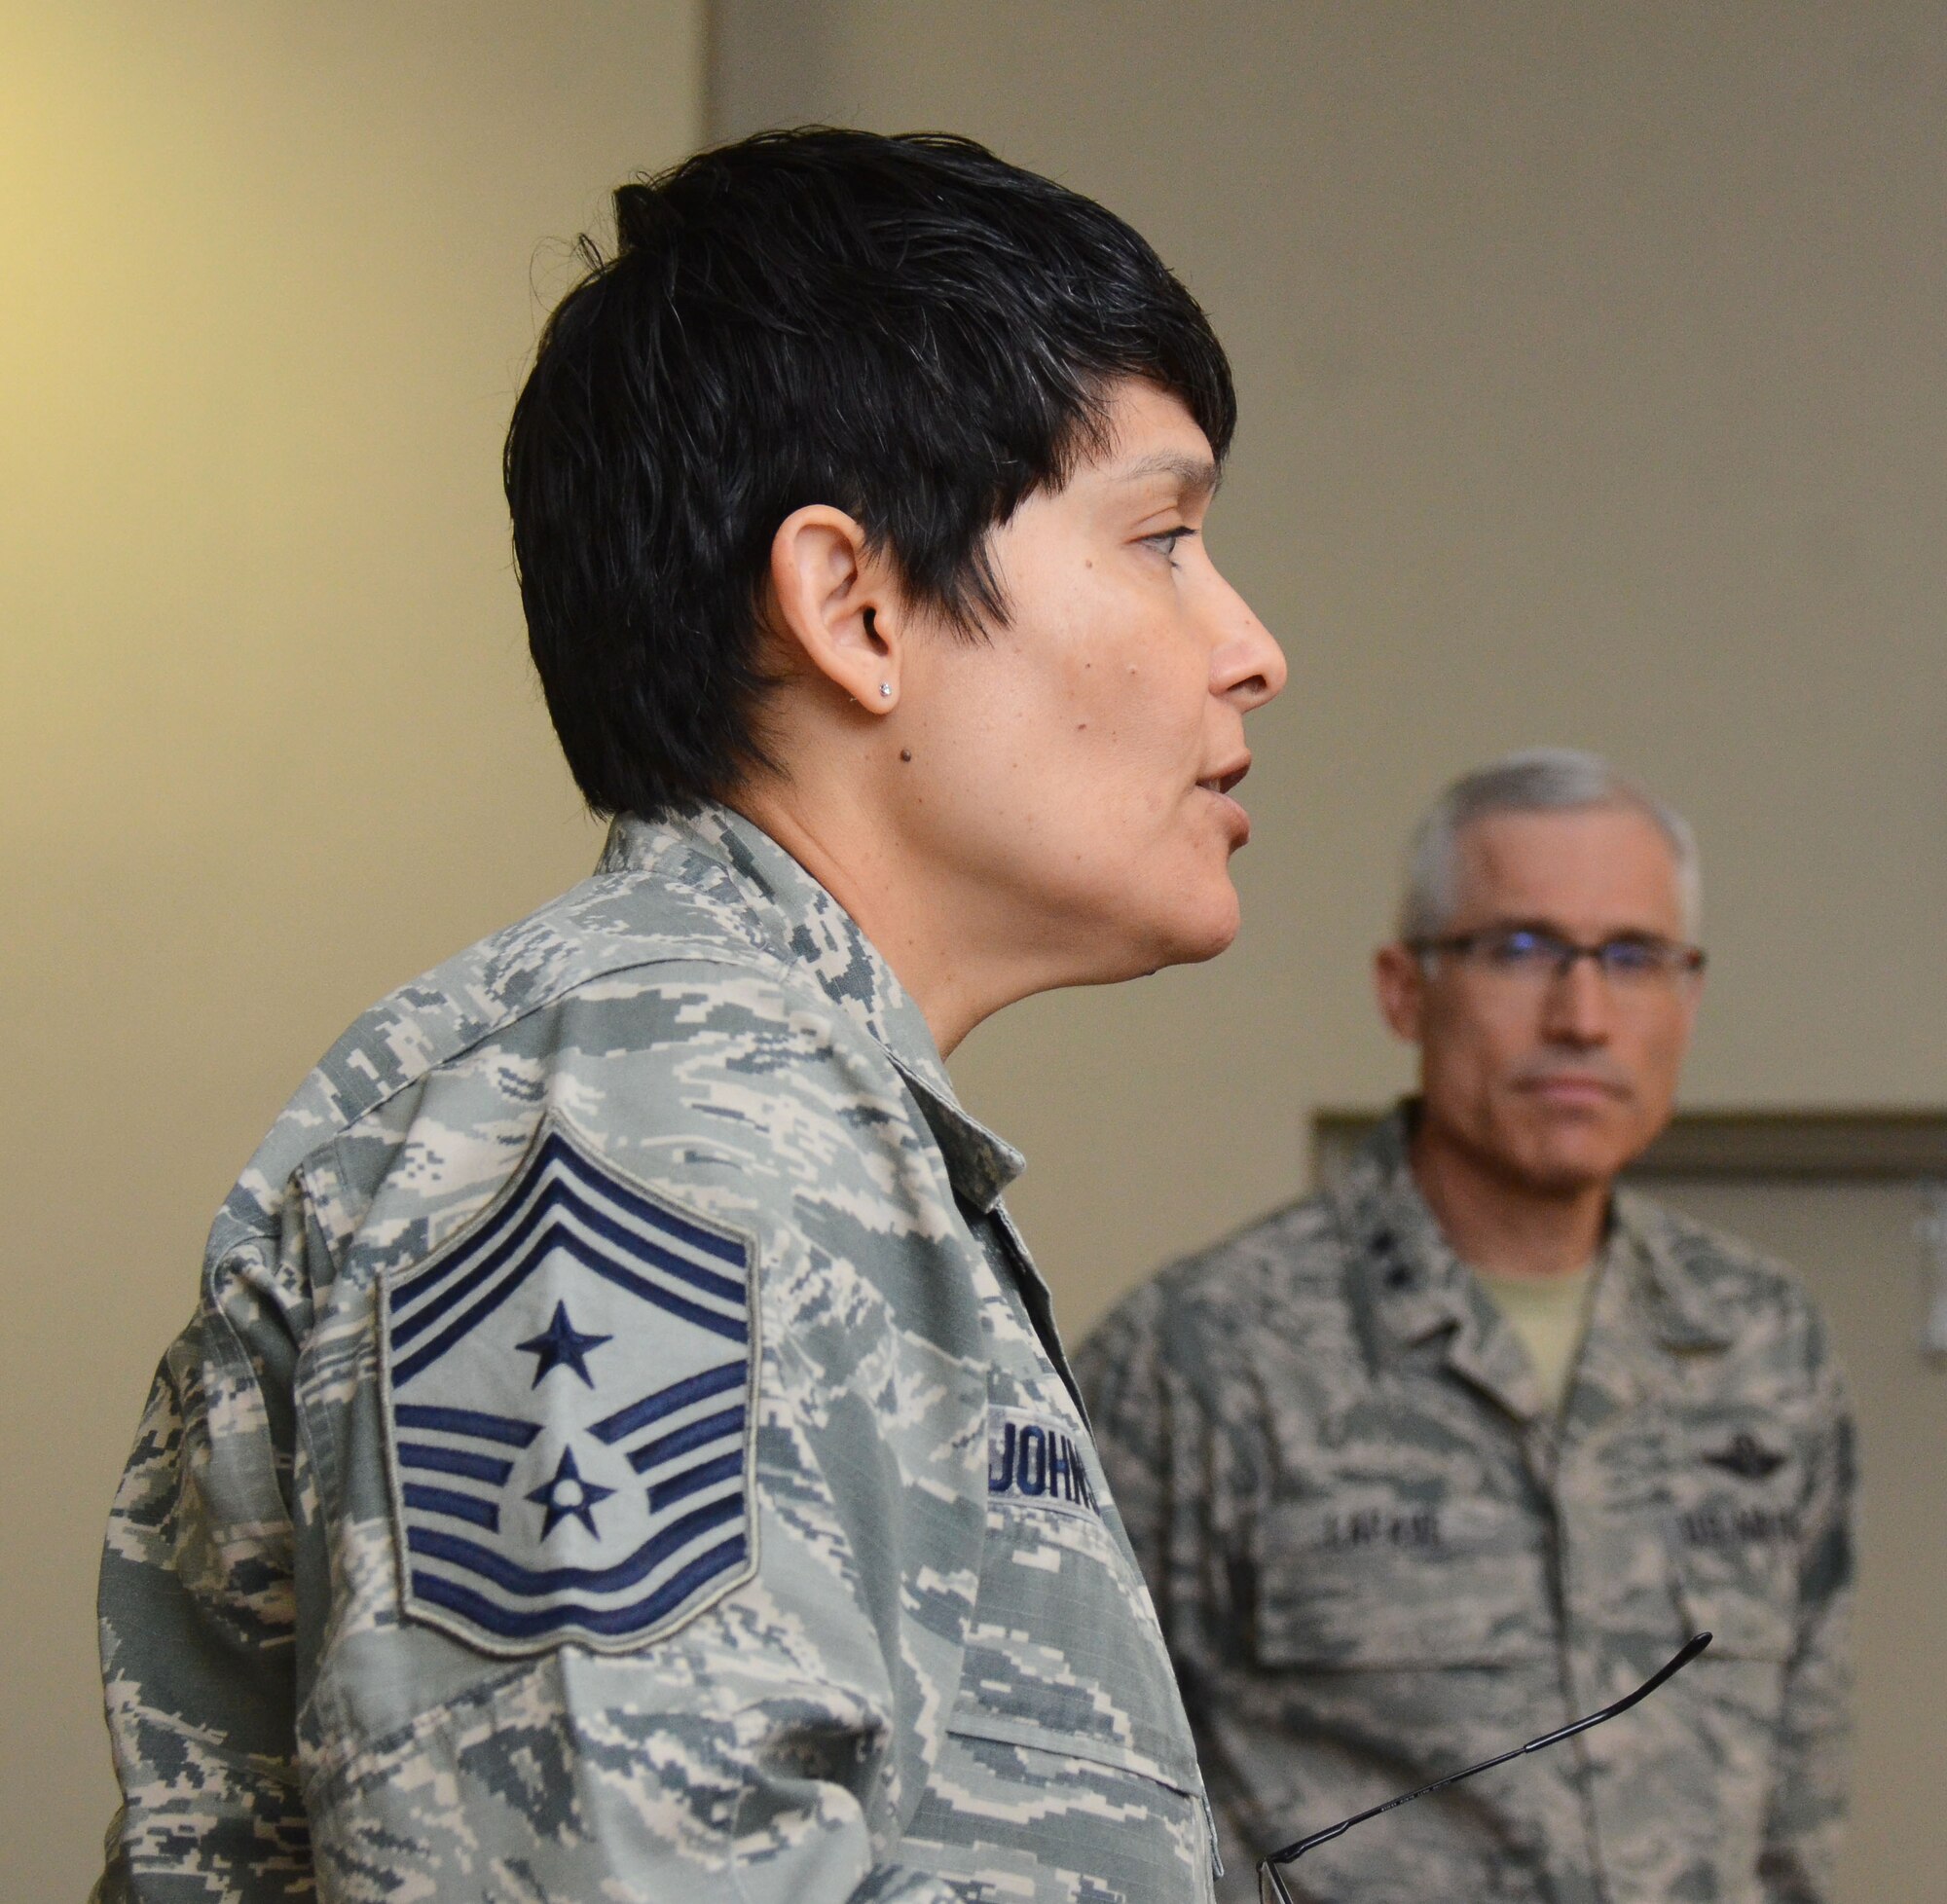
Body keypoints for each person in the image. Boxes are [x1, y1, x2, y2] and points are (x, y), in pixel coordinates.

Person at [93, 128, 1285, 1903]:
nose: (1250, 643)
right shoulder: (651, 1128)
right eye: (1167, 538)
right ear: (856, 604)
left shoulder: (781, 1113)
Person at [1079, 750, 1855, 1904]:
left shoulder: (1760, 1343)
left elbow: (1794, 1808)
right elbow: (1084, 1795)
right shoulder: (1201, 1357)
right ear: (1403, 989)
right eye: (1520, 950)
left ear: (1686, 998)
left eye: (1632, 958)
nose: (1581, 1017)